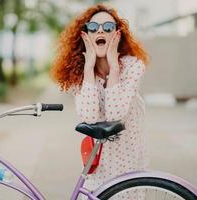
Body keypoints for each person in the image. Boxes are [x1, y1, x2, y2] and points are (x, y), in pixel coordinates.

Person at [50, 4, 149, 199]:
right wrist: (88, 68)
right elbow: (89, 116)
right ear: (86, 35)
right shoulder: (79, 73)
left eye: (108, 27)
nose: (100, 30)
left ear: (117, 35)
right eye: (93, 27)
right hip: (100, 157)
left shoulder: (132, 66)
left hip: (129, 155)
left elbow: (115, 113)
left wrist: (114, 67)